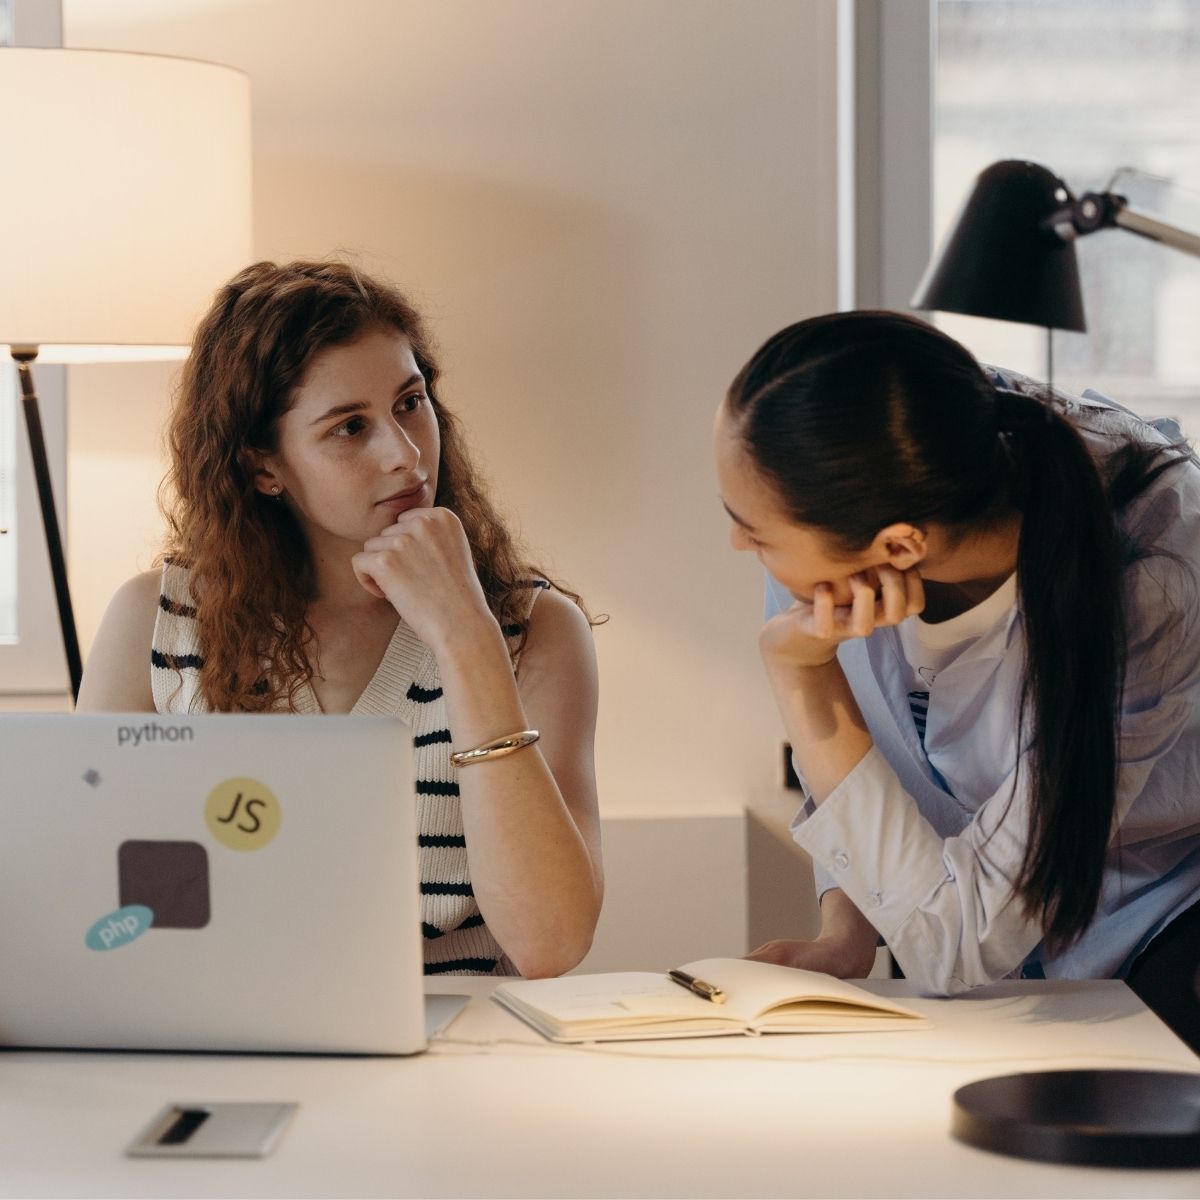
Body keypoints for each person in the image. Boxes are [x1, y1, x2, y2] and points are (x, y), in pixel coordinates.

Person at [78, 259, 603, 979]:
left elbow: (550, 942)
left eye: (410, 403)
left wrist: (464, 635)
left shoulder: (536, 628)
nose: (406, 454)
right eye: (349, 427)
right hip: (223, 1032)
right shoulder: (156, 623)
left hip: (464, 1055)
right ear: (265, 467)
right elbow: (97, 910)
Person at [713, 309, 1200, 1051]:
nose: (738, 541)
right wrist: (848, 930)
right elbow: (864, 773)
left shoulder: (1154, 575)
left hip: (1160, 930)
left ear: (898, 546)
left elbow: (956, 946)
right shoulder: (863, 496)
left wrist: (803, 682)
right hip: (978, 939)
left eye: (754, 530)